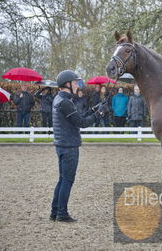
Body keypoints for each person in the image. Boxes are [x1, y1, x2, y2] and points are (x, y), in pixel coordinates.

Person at [50, 70, 108, 222]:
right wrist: (99, 114)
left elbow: (77, 117)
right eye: (75, 83)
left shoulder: (60, 99)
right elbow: (82, 123)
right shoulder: (65, 102)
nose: (77, 85)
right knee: (67, 180)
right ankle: (61, 213)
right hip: (69, 146)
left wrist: (94, 109)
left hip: (62, 144)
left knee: (62, 179)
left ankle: (54, 211)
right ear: (67, 84)